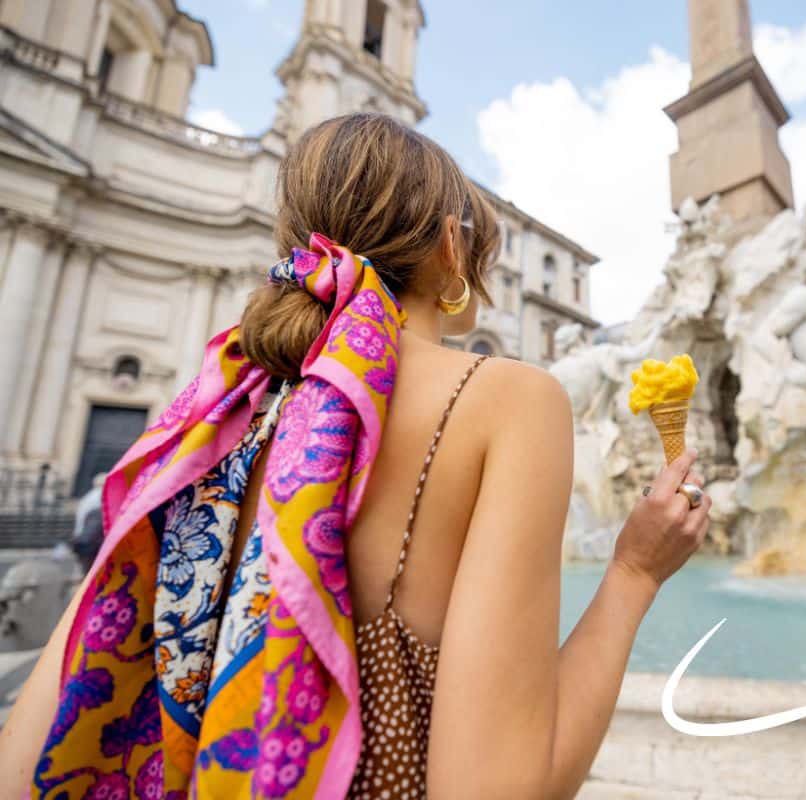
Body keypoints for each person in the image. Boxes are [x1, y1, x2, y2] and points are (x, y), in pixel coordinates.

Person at [0, 113, 712, 799]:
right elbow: (498, 790)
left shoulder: (213, 415)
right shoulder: (509, 400)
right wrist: (633, 572)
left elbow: (31, 754)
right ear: (451, 248)